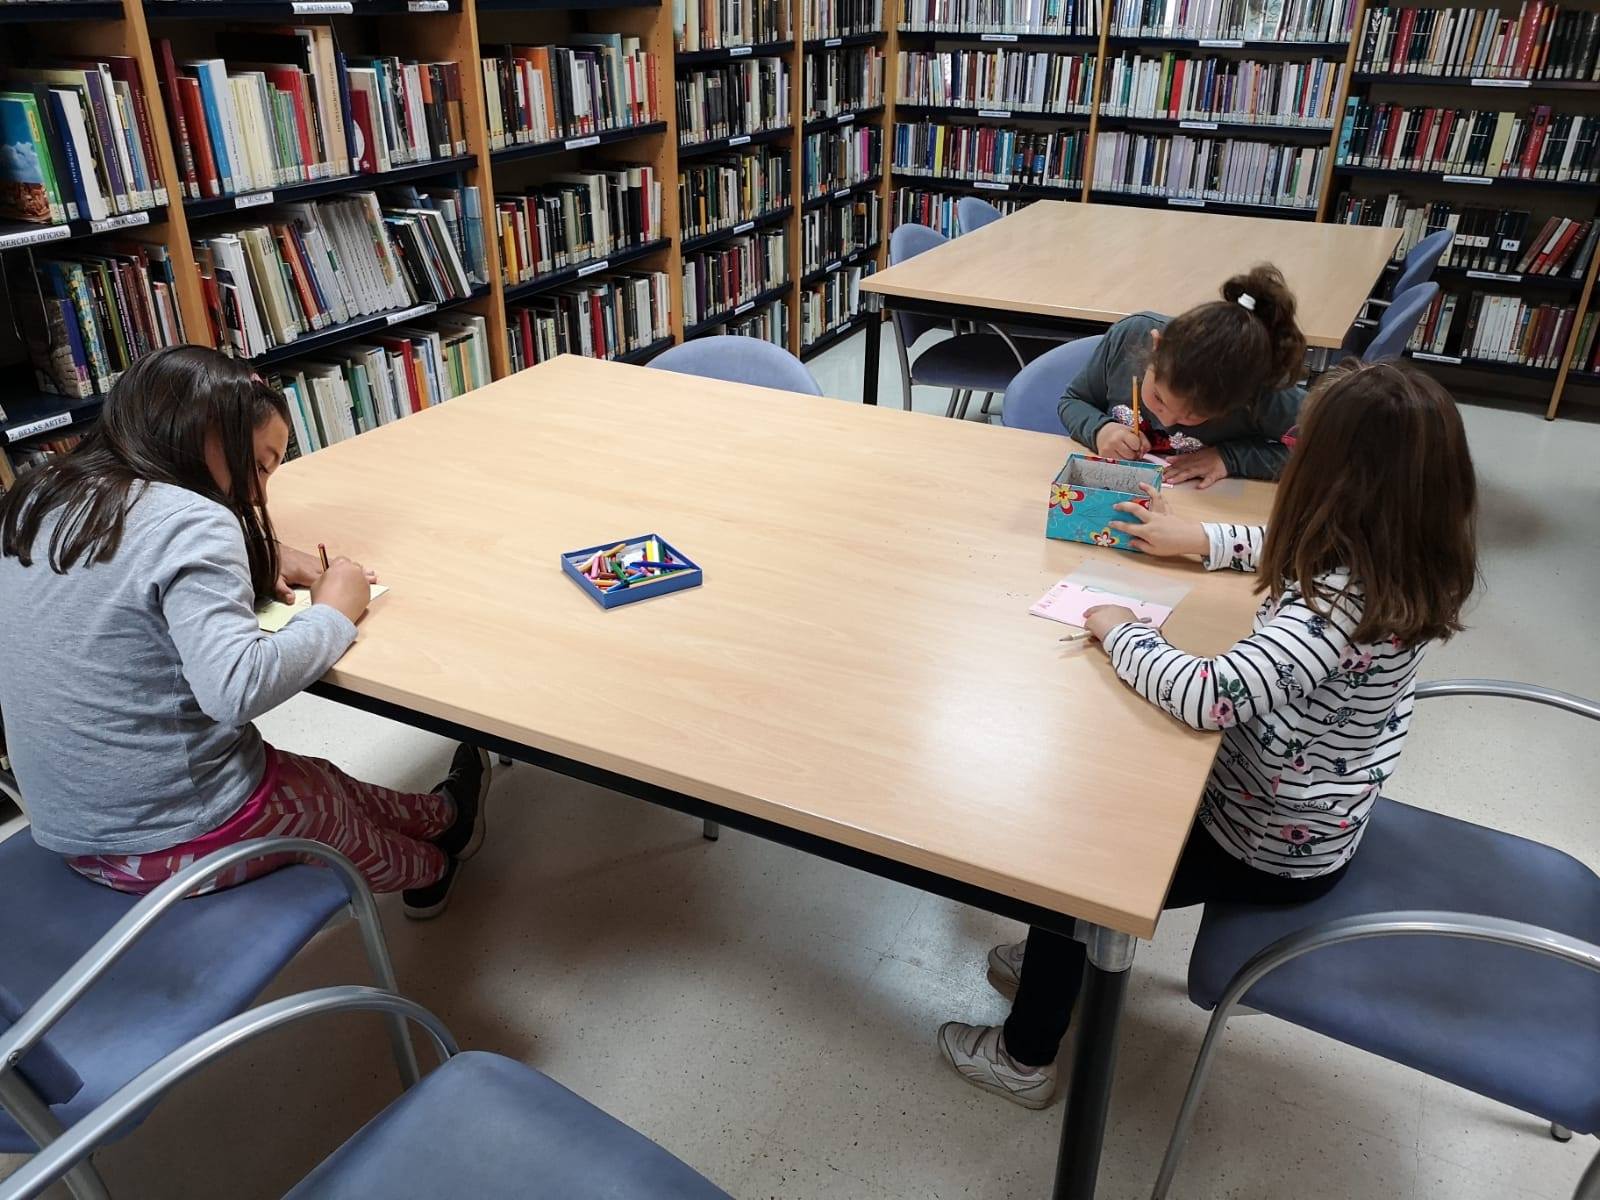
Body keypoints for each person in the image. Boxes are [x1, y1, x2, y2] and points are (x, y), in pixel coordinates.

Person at [943, 359, 1479, 1106]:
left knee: (1077, 874)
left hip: (1268, 839)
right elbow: (1281, 549)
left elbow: (1207, 695)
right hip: (1305, 805)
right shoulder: (1397, 556)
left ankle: (1022, 1055)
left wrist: (1120, 629)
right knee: (1102, 817)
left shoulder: (1334, 607)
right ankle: (1051, 958)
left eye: (1303, 450)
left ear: (1334, 481)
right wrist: (1199, 539)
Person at [0, 345, 488, 920]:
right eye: (259, 464)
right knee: (323, 808)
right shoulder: (195, 519)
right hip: (173, 839)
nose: (257, 493)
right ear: (206, 431)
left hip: (72, 832)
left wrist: (264, 556)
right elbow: (235, 690)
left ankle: (446, 818)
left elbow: (121, 573)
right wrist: (335, 611)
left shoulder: (40, 496)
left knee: (315, 776)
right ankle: (432, 866)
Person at [1059, 264, 1307, 487]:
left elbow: (1327, 454)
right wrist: (1100, 430)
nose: (1167, 421)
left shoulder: (1263, 393)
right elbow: (1073, 401)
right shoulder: (1131, 337)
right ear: (1157, 346)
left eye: (1193, 415)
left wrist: (1231, 458)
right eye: (1159, 397)